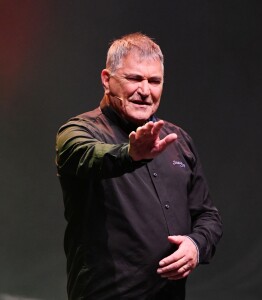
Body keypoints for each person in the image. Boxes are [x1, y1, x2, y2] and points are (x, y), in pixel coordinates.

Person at [55, 32, 222, 300]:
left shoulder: (178, 140)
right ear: (107, 80)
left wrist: (196, 244)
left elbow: (208, 216)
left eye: (154, 81)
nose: (145, 91)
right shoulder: (77, 132)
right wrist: (130, 154)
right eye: (134, 78)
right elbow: (91, 156)